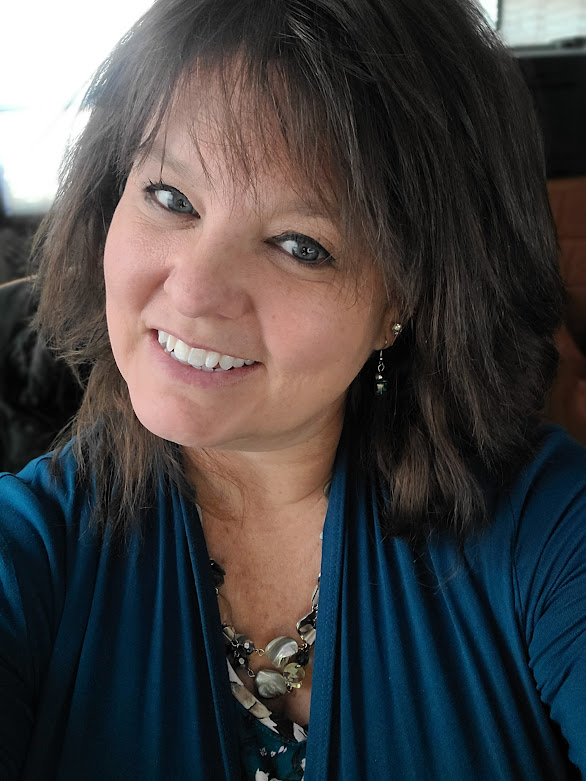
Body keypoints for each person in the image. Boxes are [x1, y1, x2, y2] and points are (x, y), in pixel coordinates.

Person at [1, 0, 584, 778]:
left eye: (300, 245)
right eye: (171, 197)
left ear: (403, 302)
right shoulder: (31, 547)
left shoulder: (547, 531)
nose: (194, 290)